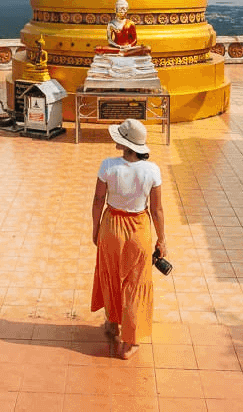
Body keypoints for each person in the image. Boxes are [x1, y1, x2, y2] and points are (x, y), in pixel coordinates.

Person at [91, 118, 165, 359]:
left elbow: (98, 201)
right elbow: (157, 210)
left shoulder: (108, 166)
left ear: (124, 144)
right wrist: (161, 240)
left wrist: (96, 228)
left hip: (111, 226)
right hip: (139, 229)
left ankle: (112, 324)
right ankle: (129, 342)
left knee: (111, 274)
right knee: (135, 283)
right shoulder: (152, 170)